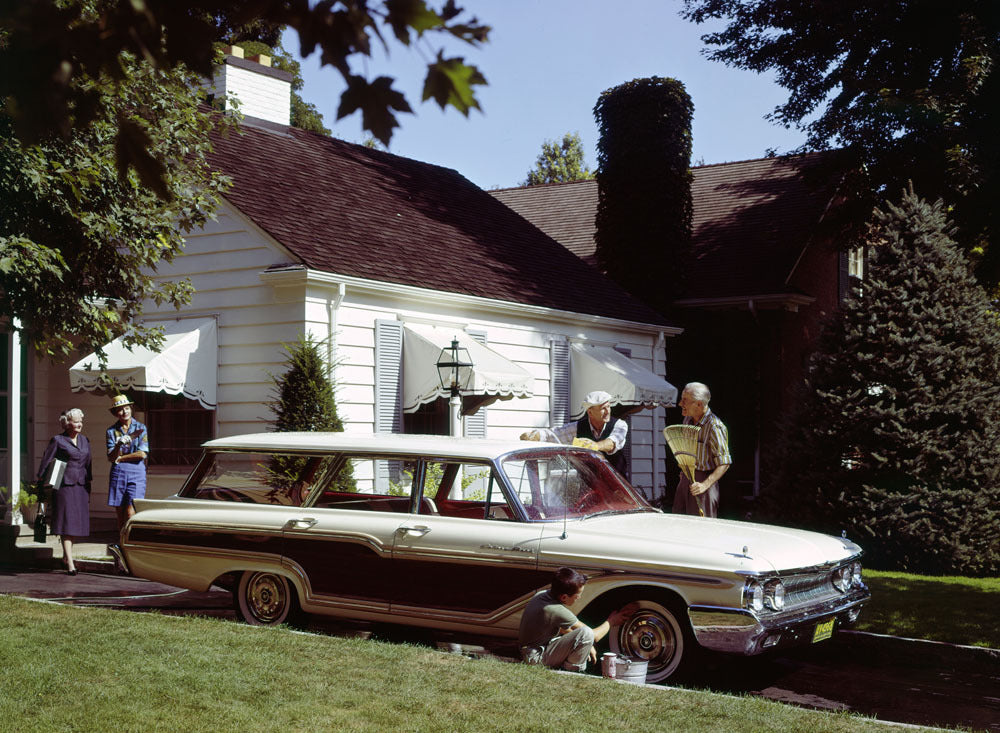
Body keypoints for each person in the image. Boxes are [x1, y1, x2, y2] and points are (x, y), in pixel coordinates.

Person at [518, 567, 636, 672]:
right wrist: (612, 621)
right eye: (577, 595)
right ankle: (572, 673)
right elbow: (593, 635)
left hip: (531, 651)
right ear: (564, 597)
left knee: (584, 635)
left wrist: (587, 645)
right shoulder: (555, 609)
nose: (579, 598)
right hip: (535, 657)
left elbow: (565, 629)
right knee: (587, 633)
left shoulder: (543, 595)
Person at [36, 408, 92, 575]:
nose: (79, 424)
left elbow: (89, 464)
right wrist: (40, 482)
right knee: (67, 524)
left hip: (81, 485)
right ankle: (71, 564)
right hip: (64, 485)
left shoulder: (85, 440)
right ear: (67, 424)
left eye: (80, 420)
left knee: (75, 525)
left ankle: (66, 558)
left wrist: (89, 482)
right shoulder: (58, 440)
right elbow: (46, 461)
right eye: (75, 421)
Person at [520, 390, 629, 475]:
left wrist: (596, 445)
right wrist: (535, 436)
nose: (608, 411)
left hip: (617, 487)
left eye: (609, 407)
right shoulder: (578, 427)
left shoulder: (620, 425)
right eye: (603, 408)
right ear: (590, 412)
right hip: (591, 487)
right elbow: (553, 435)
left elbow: (612, 443)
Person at [672, 382, 731, 518]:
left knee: (702, 530)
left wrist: (704, 485)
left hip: (703, 485)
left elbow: (725, 463)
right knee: (678, 524)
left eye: (685, 400)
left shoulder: (715, 426)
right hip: (685, 480)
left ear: (699, 404)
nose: (680, 404)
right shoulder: (687, 420)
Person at [106, 394, 149, 531]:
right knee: (120, 513)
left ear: (131, 408)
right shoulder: (111, 431)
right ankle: (121, 543)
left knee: (131, 512)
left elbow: (142, 454)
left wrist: (121, 458)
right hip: (118, 473)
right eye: (120, 409)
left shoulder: (140, 428)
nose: (124, 412)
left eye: (127, 408)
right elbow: (111, 457)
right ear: (115, 413)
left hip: (136, 473)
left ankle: (130, 543)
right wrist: (118, 445)